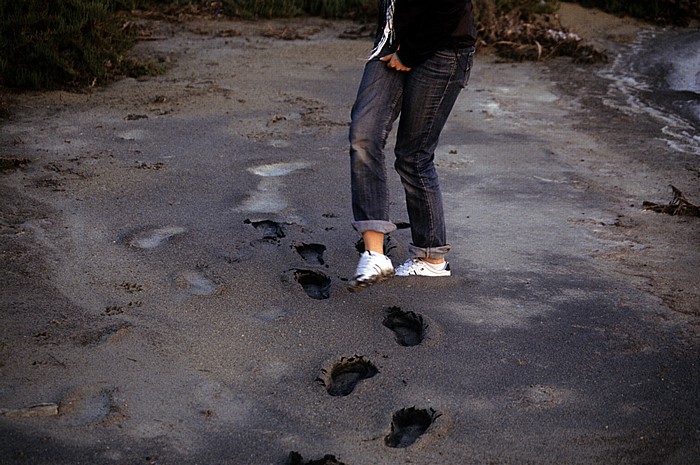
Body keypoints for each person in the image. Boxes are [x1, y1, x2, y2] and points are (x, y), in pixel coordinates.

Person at [348, 0, 478, 292]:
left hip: (443, 48)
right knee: (363, 136)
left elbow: (451, 6)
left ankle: (431, 258)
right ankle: (374, 254)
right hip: (391, 42)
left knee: (414, 155)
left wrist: (410, 53)